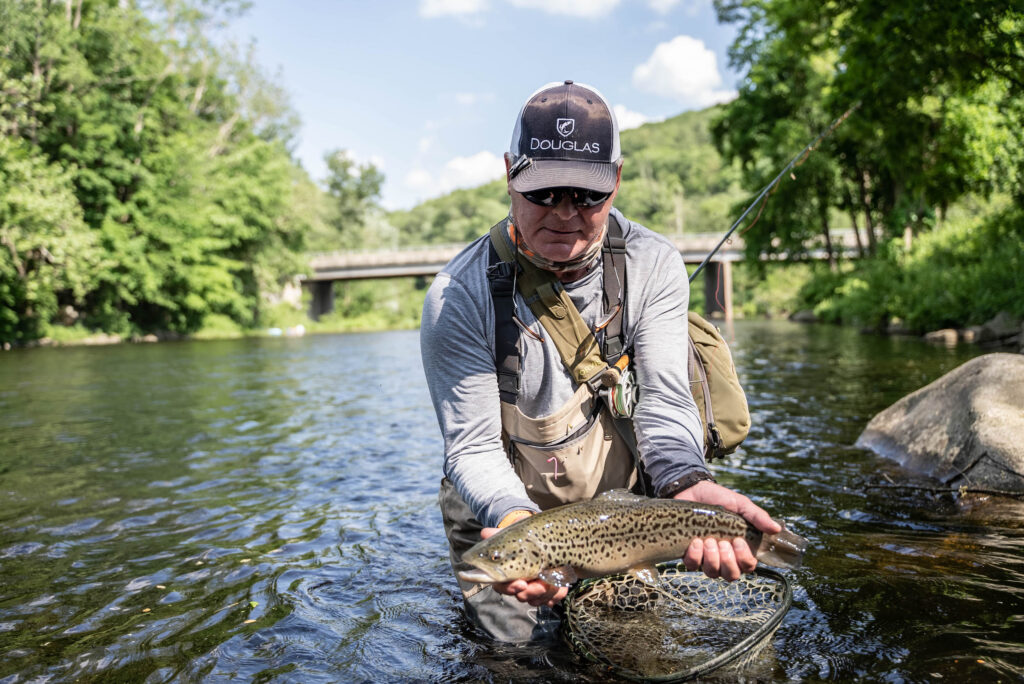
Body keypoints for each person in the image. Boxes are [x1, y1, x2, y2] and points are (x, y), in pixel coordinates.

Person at [420, 80, 780, 643]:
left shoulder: (652, 263)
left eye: (585, 195)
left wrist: (686, 482)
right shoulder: (458, 295)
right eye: (543, 192)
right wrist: (517, 525)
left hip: (623, 514)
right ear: (510, 174)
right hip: (503, 512)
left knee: (634, 642)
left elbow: (663, 401)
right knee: (511, 655)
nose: (565, 214)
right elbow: (472, 447)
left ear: (615, 180)